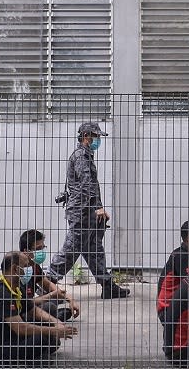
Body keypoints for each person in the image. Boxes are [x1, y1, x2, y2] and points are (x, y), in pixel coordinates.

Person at [46, 122, 130, 299]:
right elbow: (87, 184)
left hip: (87, 211)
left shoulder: (86, 155)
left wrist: (97, 208)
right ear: (86, 136)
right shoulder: (81, 156)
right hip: (82, 212)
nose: (98, 140)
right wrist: (98, 207)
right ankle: (47, 283)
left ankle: (107, 285)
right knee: (71, 249)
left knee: (94, 249)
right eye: (96, 136)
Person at [0, 251, 77, 368]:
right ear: (15, 269)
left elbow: (34, 310)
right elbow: (21, 328)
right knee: (42, 338)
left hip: (6, 340)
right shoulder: (1, 293)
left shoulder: (15, 287)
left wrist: (56, 322)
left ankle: (32, 358)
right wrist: (54, 331)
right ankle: (28, 361)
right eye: (26, 266)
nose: (30, 268)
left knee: (48, 337)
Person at [18, 229, 80, 324]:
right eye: (38, 249)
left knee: (56, 299)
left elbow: (48, 285)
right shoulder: (18, 270)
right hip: (19, 312)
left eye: (43, 248)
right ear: (26, 251)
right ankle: (52, 318)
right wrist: (50, 295)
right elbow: (25, 303)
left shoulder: (34, 266)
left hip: (30, 306)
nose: (41, 252)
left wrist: (70, 299)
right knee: (50, 306)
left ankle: (50, 317)